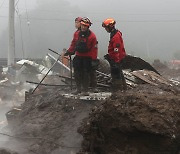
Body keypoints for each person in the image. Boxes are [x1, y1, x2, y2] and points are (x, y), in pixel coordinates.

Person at [65, 17, 98, 95]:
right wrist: (69, 51)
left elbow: (94, 49)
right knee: (77, 73)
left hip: (87, 57)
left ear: (88, 26)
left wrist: (94, 59)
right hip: (78, 56)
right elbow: (73, 43)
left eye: (85, 26)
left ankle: (85, 90)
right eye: (82, 25)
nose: (83, 27)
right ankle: (78, 89)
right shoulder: (76, 34)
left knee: (85, 74)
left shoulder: (92, 36)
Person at [102, 18, 127, 91]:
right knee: (119, 73)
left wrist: (116, 61)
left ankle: (118, 90)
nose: (105, 29)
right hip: (117, 58)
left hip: (117, 58)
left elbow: (116, 49)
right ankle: (124, 89)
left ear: (110, 27)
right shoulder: (115, 34)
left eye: (106, 28)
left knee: (116, 74)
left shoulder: (115, 36)